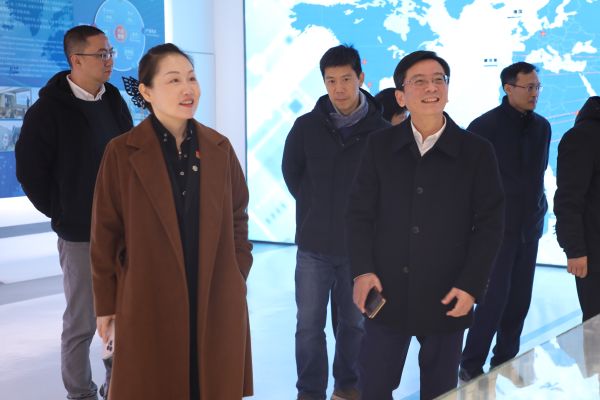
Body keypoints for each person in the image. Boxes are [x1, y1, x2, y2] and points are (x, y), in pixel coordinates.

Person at [91, 43, 253, 400]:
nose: (187, 89)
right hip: (148, 294)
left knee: (208, 383)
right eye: (174, 80)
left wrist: (236, 271)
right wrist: (106, 304)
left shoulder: (219, 148)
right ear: (147, 91)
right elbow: (105, 235)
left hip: (214, 291)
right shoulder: (121, 152)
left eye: (192, 78)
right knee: (154, 383)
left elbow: (238, 215)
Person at [347, 50, 505, 400]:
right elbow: (359, 214)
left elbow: (491, 225)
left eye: (438, 80)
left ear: (447, 90)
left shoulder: (476, 151)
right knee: (373, 384)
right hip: (385, 291)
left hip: (447, 293)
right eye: (419, 81)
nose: (431, 87)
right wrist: (362, 271)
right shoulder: (379, 146)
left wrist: (471, 286)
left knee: (440, 389)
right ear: (401, 96)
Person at [14, 25, 133, 400]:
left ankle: (117, 386)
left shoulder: (113, 100)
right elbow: (30, 172)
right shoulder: (48, 110)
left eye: (110, 52)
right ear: (76, 60)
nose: (109, 60)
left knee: (123, 316)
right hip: (80, 234)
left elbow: (130, 155)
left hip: (123, 230)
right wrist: (63, 211)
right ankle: (80, 393)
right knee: (82, 321)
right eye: (101, 54)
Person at [282, 44, 389, 400]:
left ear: (361, 77)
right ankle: (310, 392)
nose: (339, 88)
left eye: (346, 79)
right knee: (308, 327)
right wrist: (313, 206)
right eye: (331, 80)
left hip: (359, 250)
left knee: (355, 323)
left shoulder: (381, 132)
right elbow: (292, 171)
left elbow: (387, 187)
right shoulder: (306, 126)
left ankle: (348, 386)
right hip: (313, 245)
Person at [459, 62, 551, 381]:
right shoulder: (483, 127)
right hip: (496, 231)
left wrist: (538, 211)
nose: (535, 93)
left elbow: (537, 175)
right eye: (529, 87)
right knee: (492, 301)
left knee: (519, 301)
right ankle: (471, 364)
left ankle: (505, 361)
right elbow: (466, 182)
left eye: (537, 87)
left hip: (529, 228)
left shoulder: (542, 127)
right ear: (508, 88)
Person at [554, 96, 600, 322]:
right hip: (594, 255)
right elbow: (568, 199)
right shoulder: (581, 137)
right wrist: (574, 250)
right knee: (596, 328)